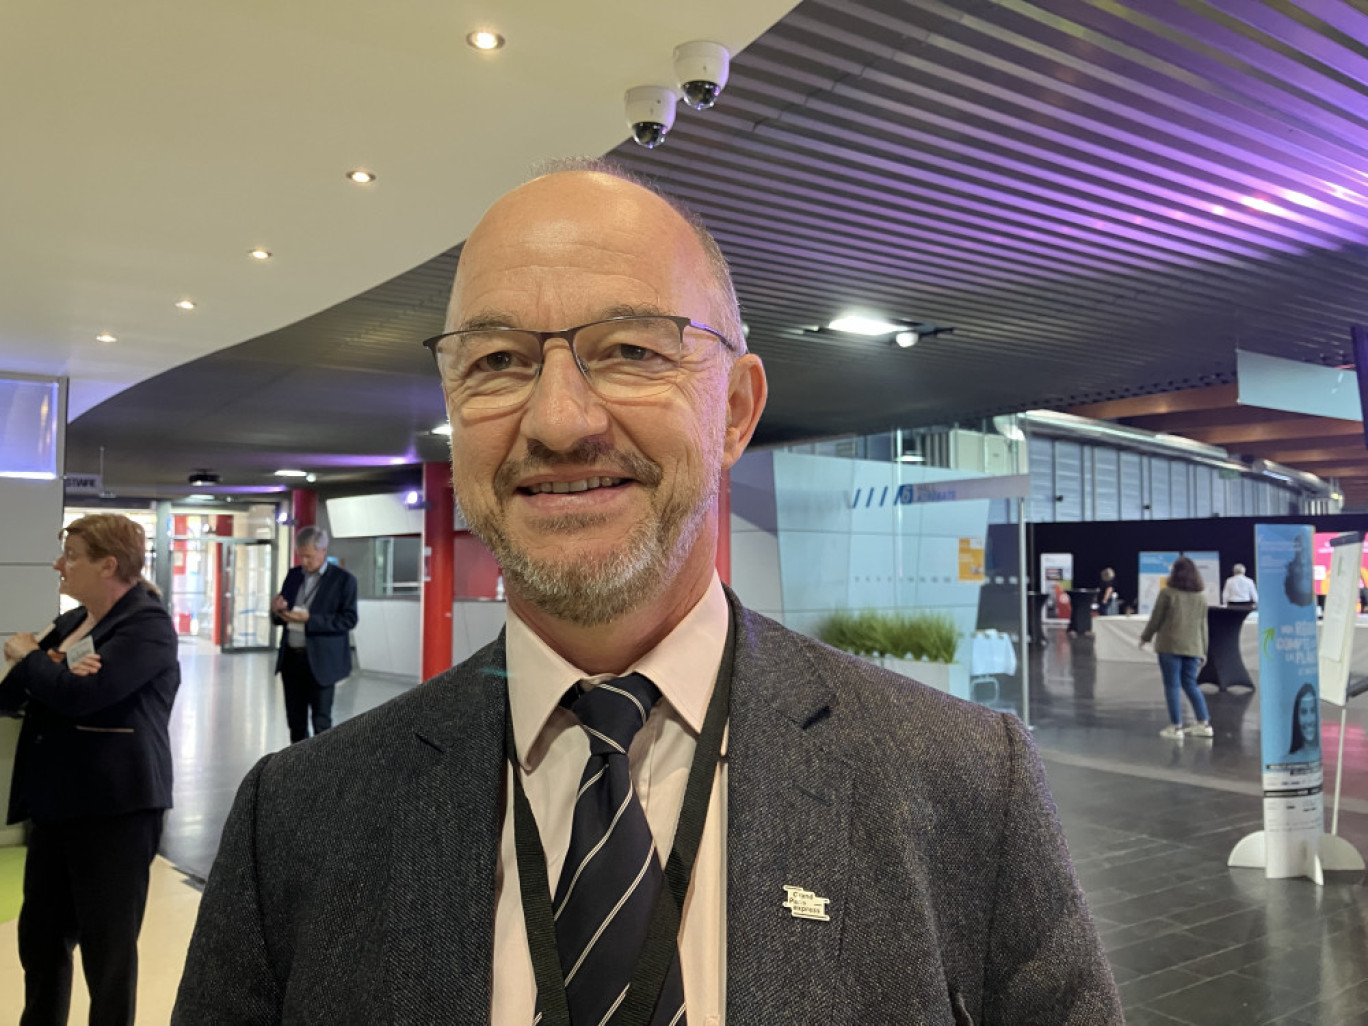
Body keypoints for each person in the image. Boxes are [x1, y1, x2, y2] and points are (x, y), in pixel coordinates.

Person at [174, 162, 1121, 1023]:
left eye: (630, 349)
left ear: (737, 411)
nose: (557, 420)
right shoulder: (296, 823)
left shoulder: (960, 782)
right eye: (497, 361)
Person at [0, 513, 180, 1026]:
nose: (60, 565)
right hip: (56, 807)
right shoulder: (71, 622)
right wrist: (52, 664)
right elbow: (12, 694)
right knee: (40, 939)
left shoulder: (147, 626)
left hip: (116, 811)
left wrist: (36, 659)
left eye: (72, 556)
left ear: (108, 564)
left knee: (108, 952)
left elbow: (83, 697)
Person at [269, 526, 358, 742]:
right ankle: (298, 768)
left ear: (322, 551)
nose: (305, 561)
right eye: (301, 556)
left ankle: (321, 769)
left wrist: (310, 619)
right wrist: (276, 610)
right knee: (295, 720)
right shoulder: (293, 576)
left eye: (309, 556)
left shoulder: (343, 580)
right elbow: (280, 617)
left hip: (321, 661)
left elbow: (348, 619)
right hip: (292, 659)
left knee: (321, 721)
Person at [1139, 556, 1214, 739]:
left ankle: (1176, 726)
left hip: (1169, 646)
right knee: (1191, 684)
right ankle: (1204, 724)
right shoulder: (1201, 598)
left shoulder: (1167, 593)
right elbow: (1203, 626)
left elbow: (1156, 619)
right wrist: (1204, 651)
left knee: (1171, 685)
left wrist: (1145, 637)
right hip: (1194, 647)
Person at [1289, 682, 1320, 754]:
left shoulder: (1320, 753)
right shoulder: (1287, 759)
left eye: (1312, 711)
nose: (1309, 721)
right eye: (1303, 712)